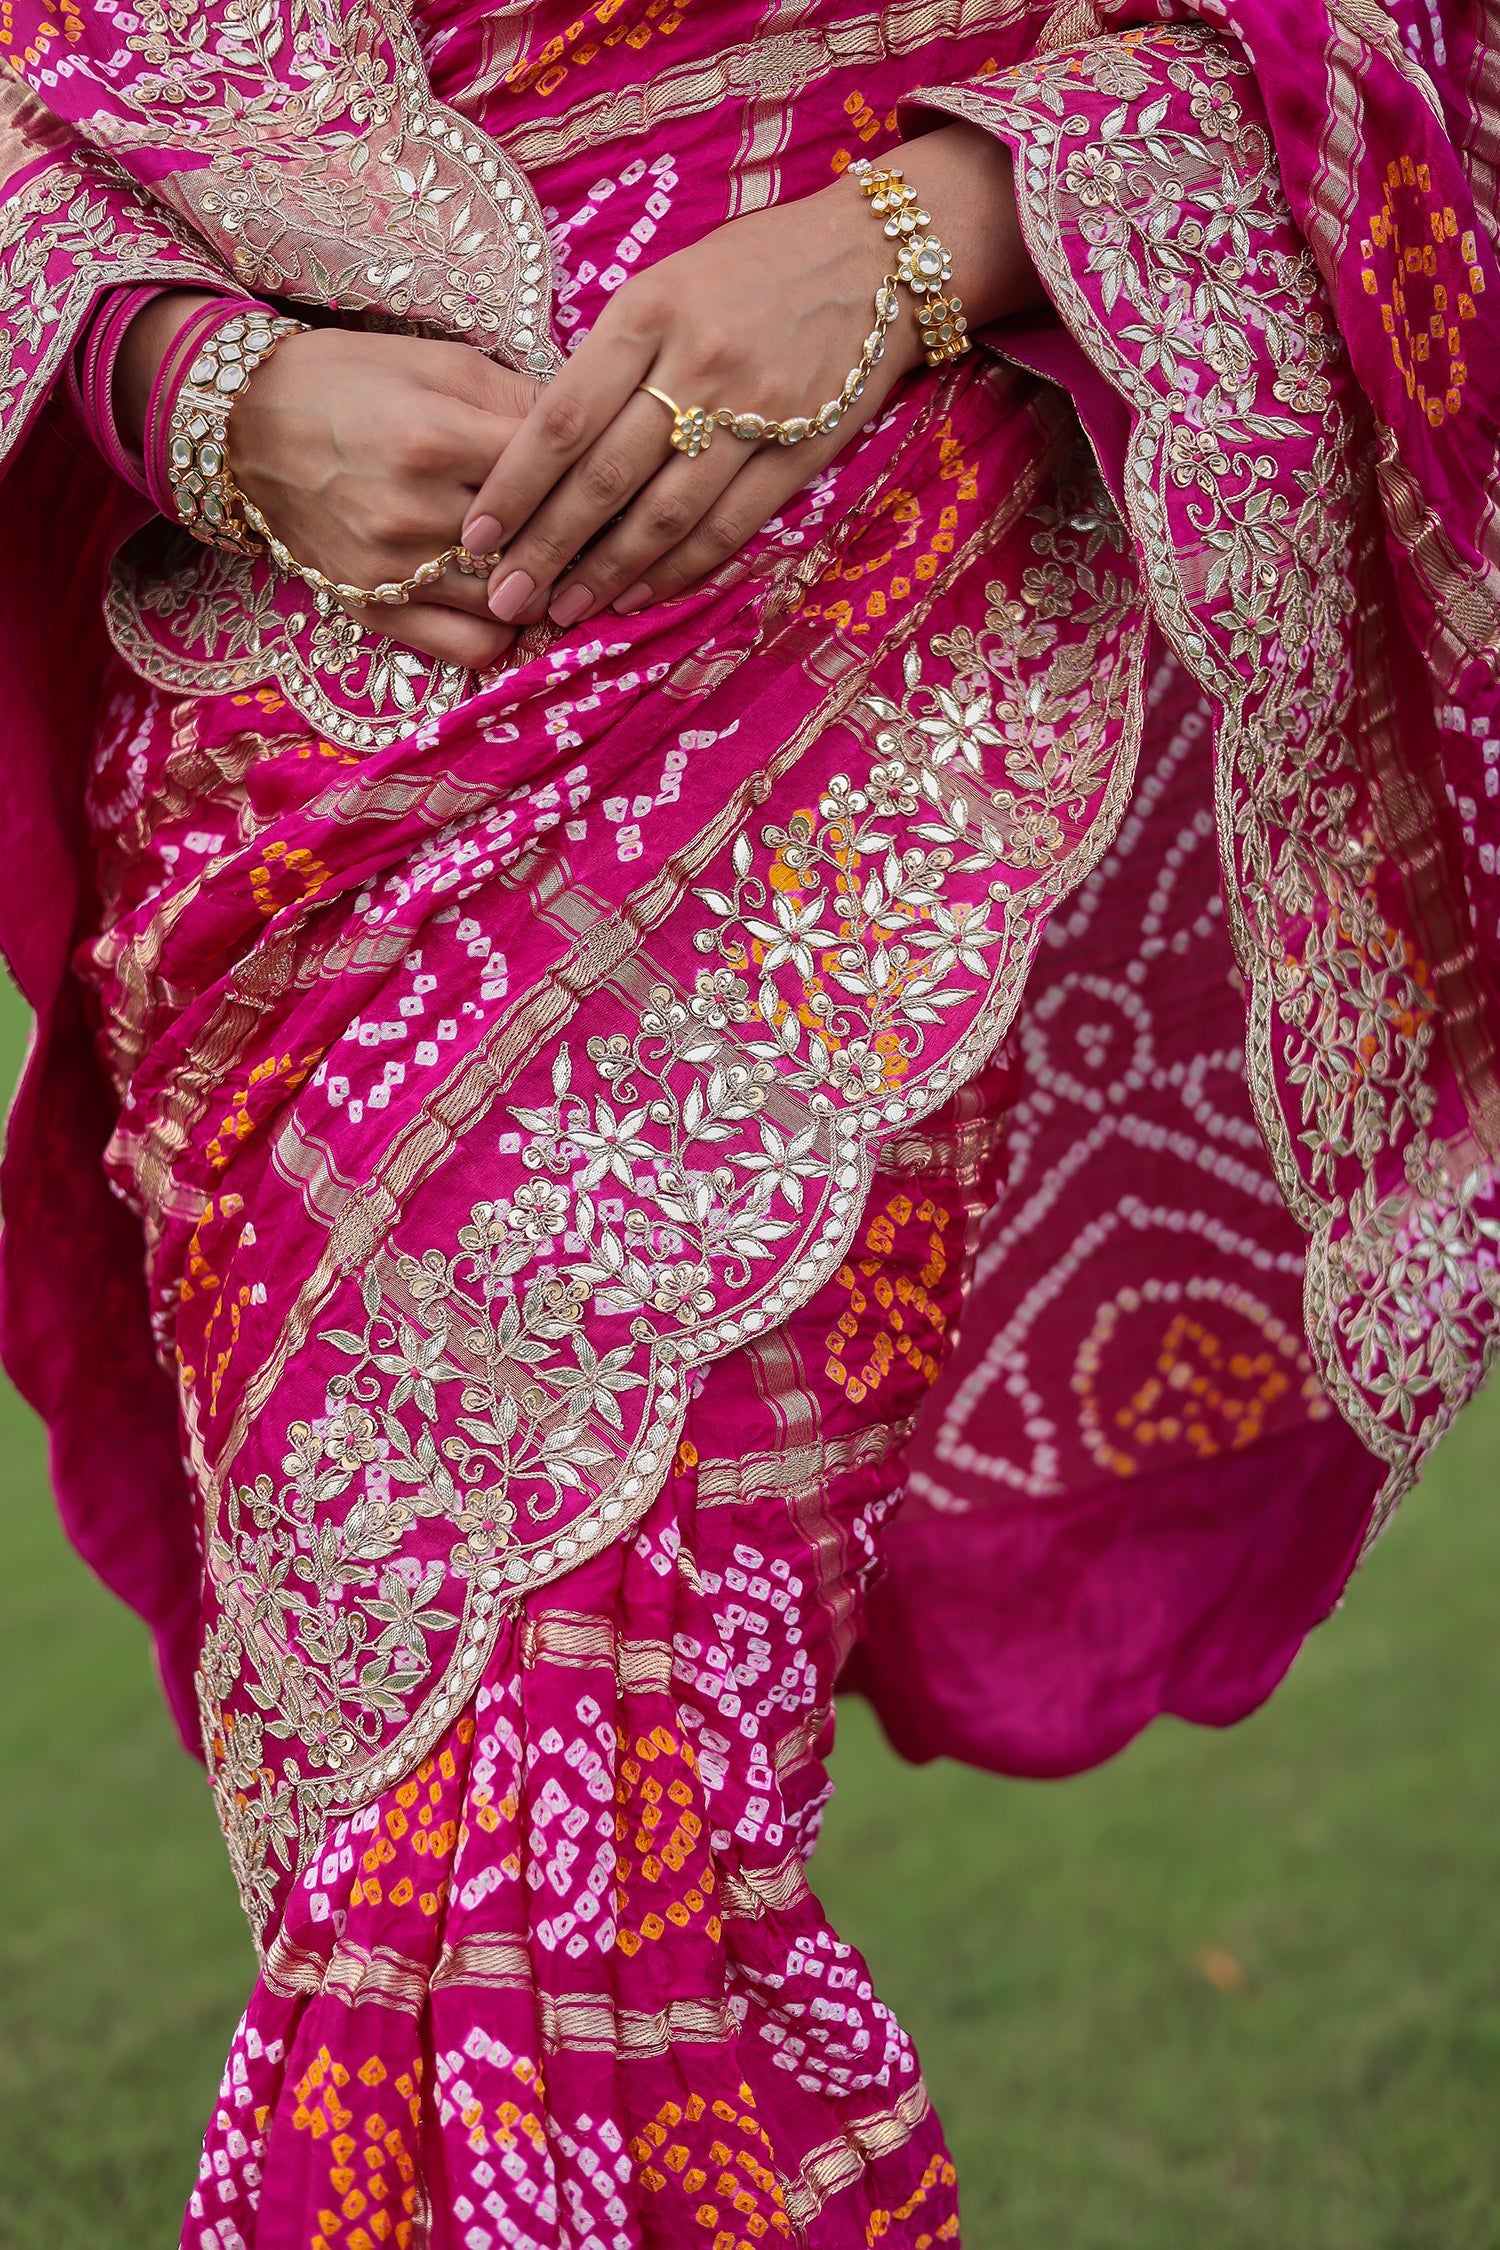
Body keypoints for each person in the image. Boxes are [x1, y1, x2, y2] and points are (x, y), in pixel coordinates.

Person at [0, 0, 1495, 2238]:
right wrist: (188, 386)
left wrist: (926, 229)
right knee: (416, 1846)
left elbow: (1377, 46)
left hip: (834, 704)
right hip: (274, 776)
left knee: (582, 1835)